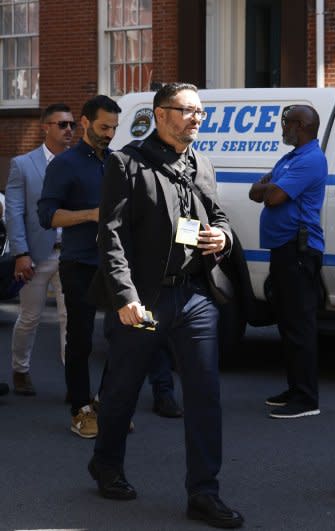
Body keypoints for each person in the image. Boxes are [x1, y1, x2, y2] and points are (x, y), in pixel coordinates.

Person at [88, 82, 243, 529]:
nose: (196, 118)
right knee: (122, 390)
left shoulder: (202, 163)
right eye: (186, 110)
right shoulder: (127, 163)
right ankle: (106, 464)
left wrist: (223, 237)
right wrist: (125, 297)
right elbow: (110, 236)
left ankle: (204, 493)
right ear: (160, 114)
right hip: (144, 298)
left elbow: (218, 217)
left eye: (200, 111)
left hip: (194, 296)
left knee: (204, 396)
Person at [38, 95, 121, 438]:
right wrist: (91, 214)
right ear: (85, 122)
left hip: (116, 263)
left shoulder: (117, 162)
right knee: (81, 341)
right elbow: (47, 216)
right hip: (79, 263)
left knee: (125, 338)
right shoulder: (64, 164)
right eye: (104, 127)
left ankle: (104, 403)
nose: (110, 134)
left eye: (114, 128)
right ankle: (80, 409)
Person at [248, 104, 326, 419]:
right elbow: (257, 192)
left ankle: (306, 399)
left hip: (298, 251)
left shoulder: (309, 160)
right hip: (284, 250)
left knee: (300, 327)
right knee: (288, 324)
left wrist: (270, 188)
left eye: (286, 123)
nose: (282, 128)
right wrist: (270, 187)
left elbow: (272, 197)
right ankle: (295, 389)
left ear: (300, 125)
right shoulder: (291, 159)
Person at [6, 103, 73, 396]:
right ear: (45, 127)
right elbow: (14, 211)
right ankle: (20, 369)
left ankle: (75, 381)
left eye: (72, 124)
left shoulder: (80, 161)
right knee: (30, 317)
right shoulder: (23, 164)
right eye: (62, 124)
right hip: (35, 253)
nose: (69, 130)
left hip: (71, 253)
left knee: (70, 317)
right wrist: (21, 253)